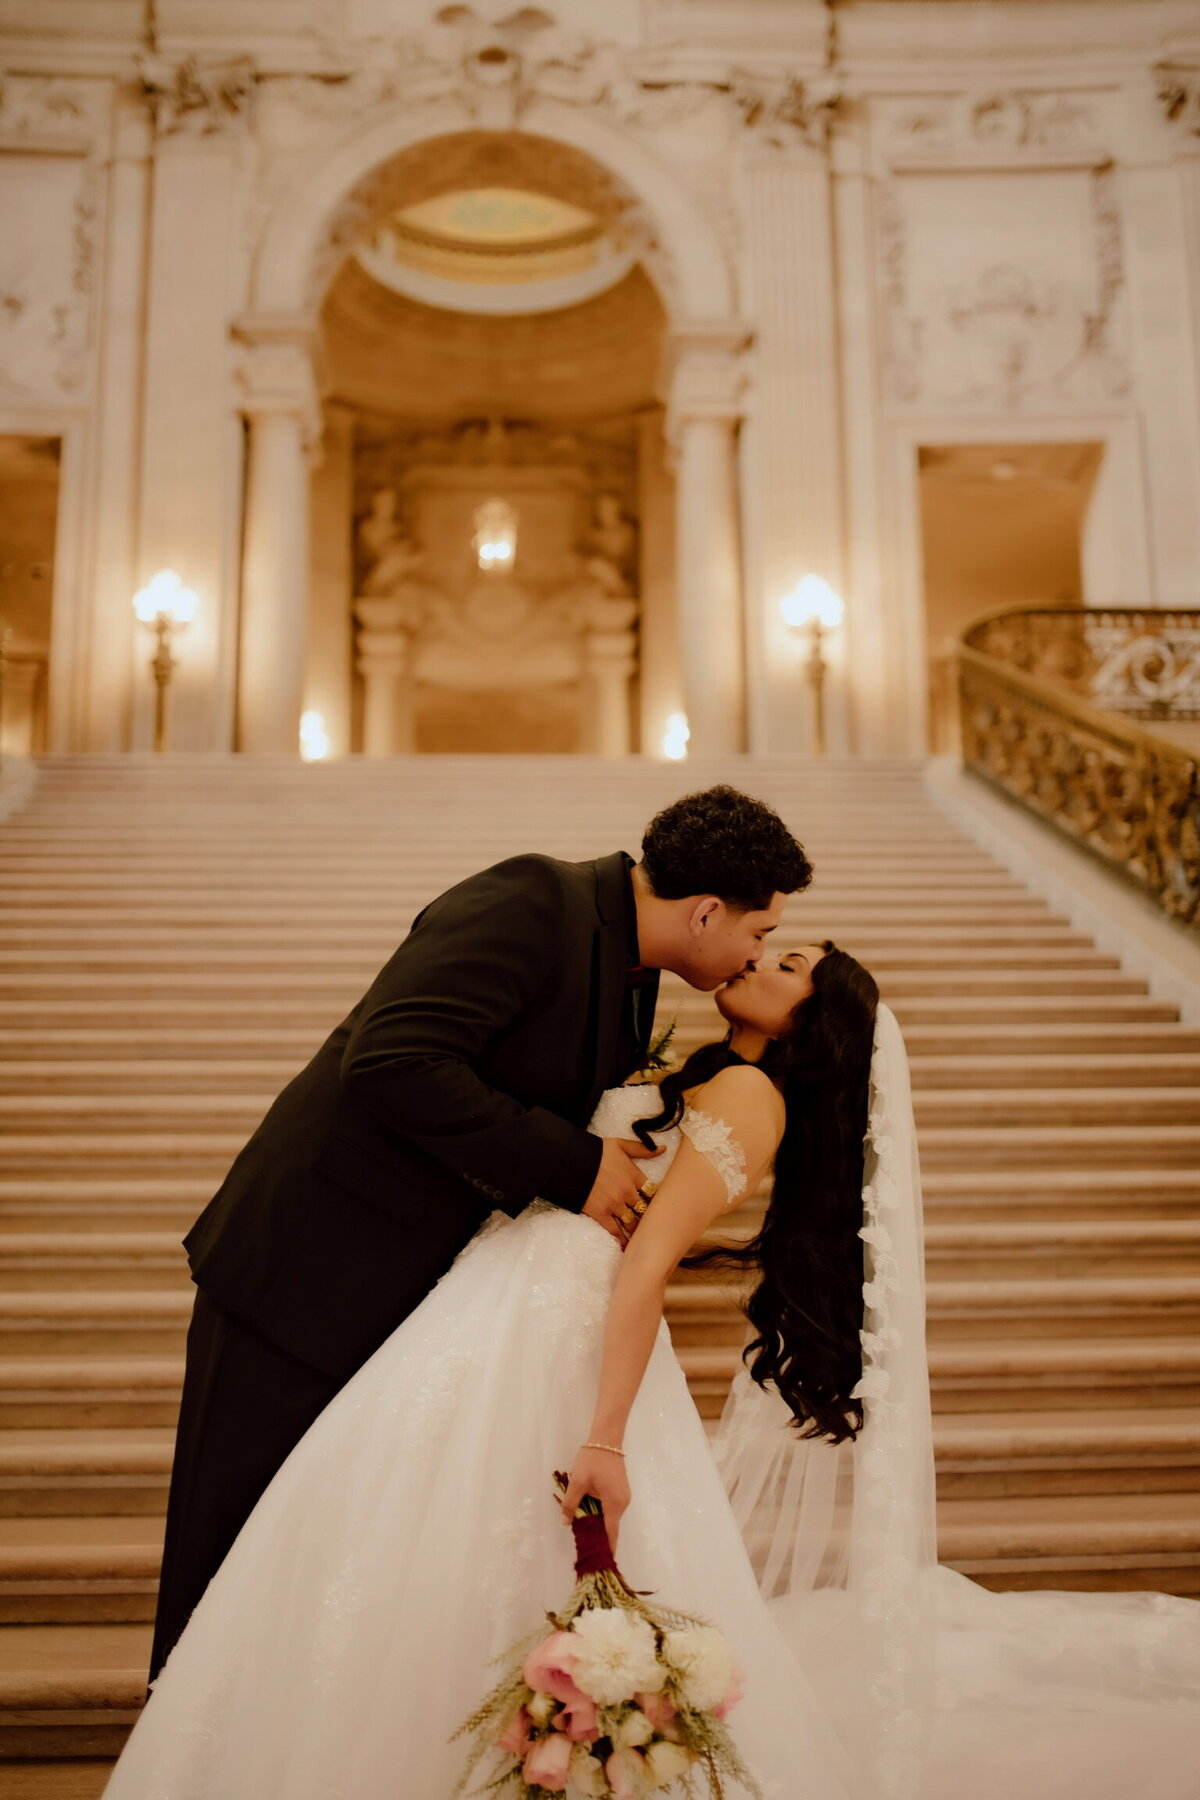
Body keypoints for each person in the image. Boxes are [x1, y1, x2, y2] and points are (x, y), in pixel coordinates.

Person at [111, 944, 1200, 1799]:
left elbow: (642, 1269)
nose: (762, 961)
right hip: (505, 1303)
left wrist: (604, 1436)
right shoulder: (708, 1074)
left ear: (813, 1028)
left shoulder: (749, 1103)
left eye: (789, 968)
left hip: (569, 1321)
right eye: (770, 946)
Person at [148, 785, 812, 1684]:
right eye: (760, 930)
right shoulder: (533, 900)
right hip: (305, 1273)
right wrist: (574, 1164)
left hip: (409, 1290)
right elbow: (393, 1059)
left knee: (310, 1563)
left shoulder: (630, 966)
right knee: (229, 1557)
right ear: (704, 912)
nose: (755, 949)